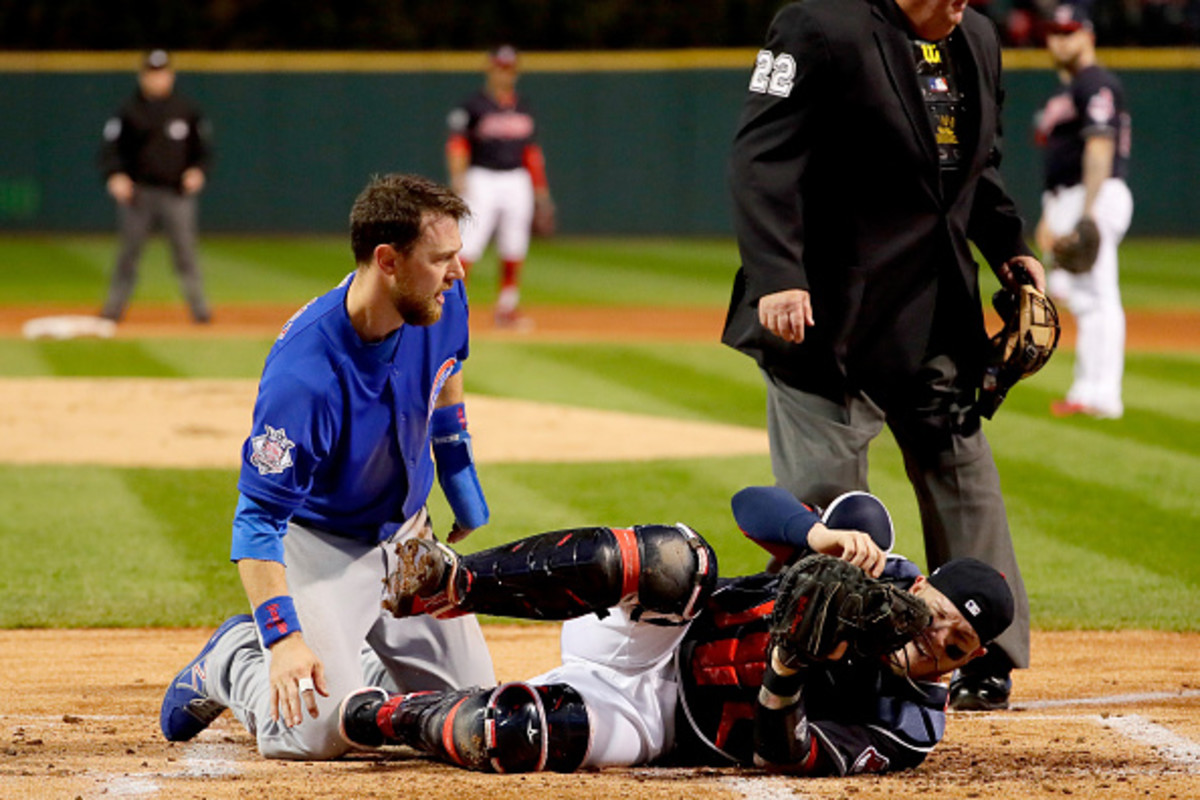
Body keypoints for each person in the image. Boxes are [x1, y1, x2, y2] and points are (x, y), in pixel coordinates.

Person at [721, 0, 1044, 711]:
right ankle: (830, 654)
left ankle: (984, 653)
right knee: (834, 504)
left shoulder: (979, 39)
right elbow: (762, 159)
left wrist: (1011, 247)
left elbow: (973, 166)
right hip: (829, 314)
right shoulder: (819, 27)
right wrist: (778, 275)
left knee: (964, 475)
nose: (961, 4)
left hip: (937, 312)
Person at [158, 174, 497, 760]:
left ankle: (349, 657)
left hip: (409, 543)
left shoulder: (440, 302)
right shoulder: (305, 376)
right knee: (317, 733)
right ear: (387, 260)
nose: (459, 272)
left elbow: (449, 364)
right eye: (442, 258)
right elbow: (257, 520)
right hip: (323, 548)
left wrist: (456, 464)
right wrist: (284, 638)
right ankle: (232, 659)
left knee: (470, 709)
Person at [336, 487, 1014, 775]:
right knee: (680, 562)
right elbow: (750, 506)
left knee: (514, 731)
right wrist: (815, 536)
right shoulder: (873, 564)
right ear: (920, 587)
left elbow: (788, 756)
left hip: (659, 725)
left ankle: (374, 709)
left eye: (955, 647)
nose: (934, 641)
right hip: (657, 635)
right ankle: (453, 584)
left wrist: (786, 668)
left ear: (971, 659)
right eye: (936, 618)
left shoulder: (910, 727)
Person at [1035, 3, 1133, 420]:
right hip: (1072, 197)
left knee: (1098, 298)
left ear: (1089, 35)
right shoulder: (1073, 88)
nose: (1060, 38)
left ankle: (1102, 394)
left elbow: (1099, 146)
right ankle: (1088, 389)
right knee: (1082, 298)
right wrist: (1050, 215)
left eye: (1070, 30)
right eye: (1055, 31)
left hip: (1094, 193)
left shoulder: (1094, 82)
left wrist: (1087, 214)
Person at [98, 49, 213, 324]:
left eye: (162, 73)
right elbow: (110, 150)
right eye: (152, 73)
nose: (158, 78)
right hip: (139, 193)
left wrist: (198, 171)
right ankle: (113, 311)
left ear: (170, 76)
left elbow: (203, 151)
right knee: (129, 254)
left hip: (176, 194)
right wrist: (116, 175)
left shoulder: (186, 110)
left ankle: (200, 311)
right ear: (143, 76)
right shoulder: (128, 111)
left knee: (185, 253)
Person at [446, 44, 555, 329]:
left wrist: (540, 191)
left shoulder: (524, 106)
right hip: (481, 177)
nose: (504, 73)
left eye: (509, 68)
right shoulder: (473, 106)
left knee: (514, 244)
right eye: (500, 67)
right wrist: (459, 178)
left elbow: (531, 152)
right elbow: (457, 144)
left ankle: (507, 308)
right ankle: (451, 310)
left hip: (517, 179)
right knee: (469, 244)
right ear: (490, 69)